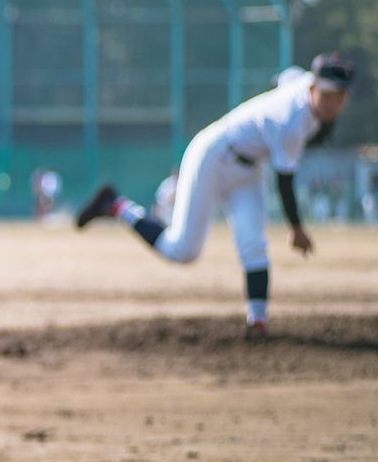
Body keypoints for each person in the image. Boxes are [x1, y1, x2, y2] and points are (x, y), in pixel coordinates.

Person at [76, 54, 355, 336]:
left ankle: (257, 323)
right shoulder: (291, 121)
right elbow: (285, 181)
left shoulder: (302, 84)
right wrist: (296, 228)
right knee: (182, 251)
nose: (334, 102)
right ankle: (116, 205)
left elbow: (285, 78)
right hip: (214, 155)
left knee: (254, 246)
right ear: (313, 88)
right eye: (328, 94)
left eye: (341, 95)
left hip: (249, 169)